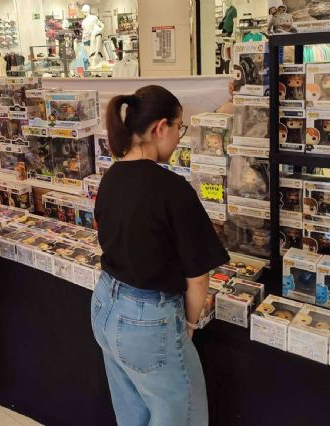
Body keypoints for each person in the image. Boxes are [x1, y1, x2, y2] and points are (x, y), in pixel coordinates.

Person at [92, 85, 229, 426]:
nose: (180, 138)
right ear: (159, 128)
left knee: (132, 413)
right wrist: (191, 324)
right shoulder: (172, 189)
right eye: (179, 127)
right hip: (148, 320)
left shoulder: (110, 177)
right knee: (182, 416)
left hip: (104, 306)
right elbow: (198, 278)